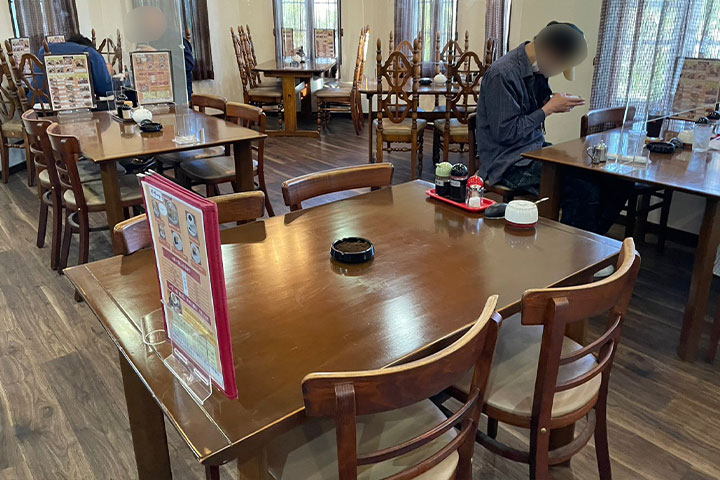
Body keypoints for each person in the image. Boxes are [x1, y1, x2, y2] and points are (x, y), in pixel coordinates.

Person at [476, 21, 633, 235]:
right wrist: (548, 109)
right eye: (559, 66)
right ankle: (572, 248)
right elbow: (506, 133)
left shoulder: (536, 69)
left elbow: (529, 112)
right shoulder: (502, 74)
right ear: (549, 52)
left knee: (618, 182)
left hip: (534, 151)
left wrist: (551, 102)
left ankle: (589, 243)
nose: (556, 72)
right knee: (582, 189)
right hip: (507, 162)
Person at [38, 34, 114, 97]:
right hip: (71, 105)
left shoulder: (43, 50)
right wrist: (108, 74)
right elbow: (105, 89)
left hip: (37, 102)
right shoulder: (90, 52)